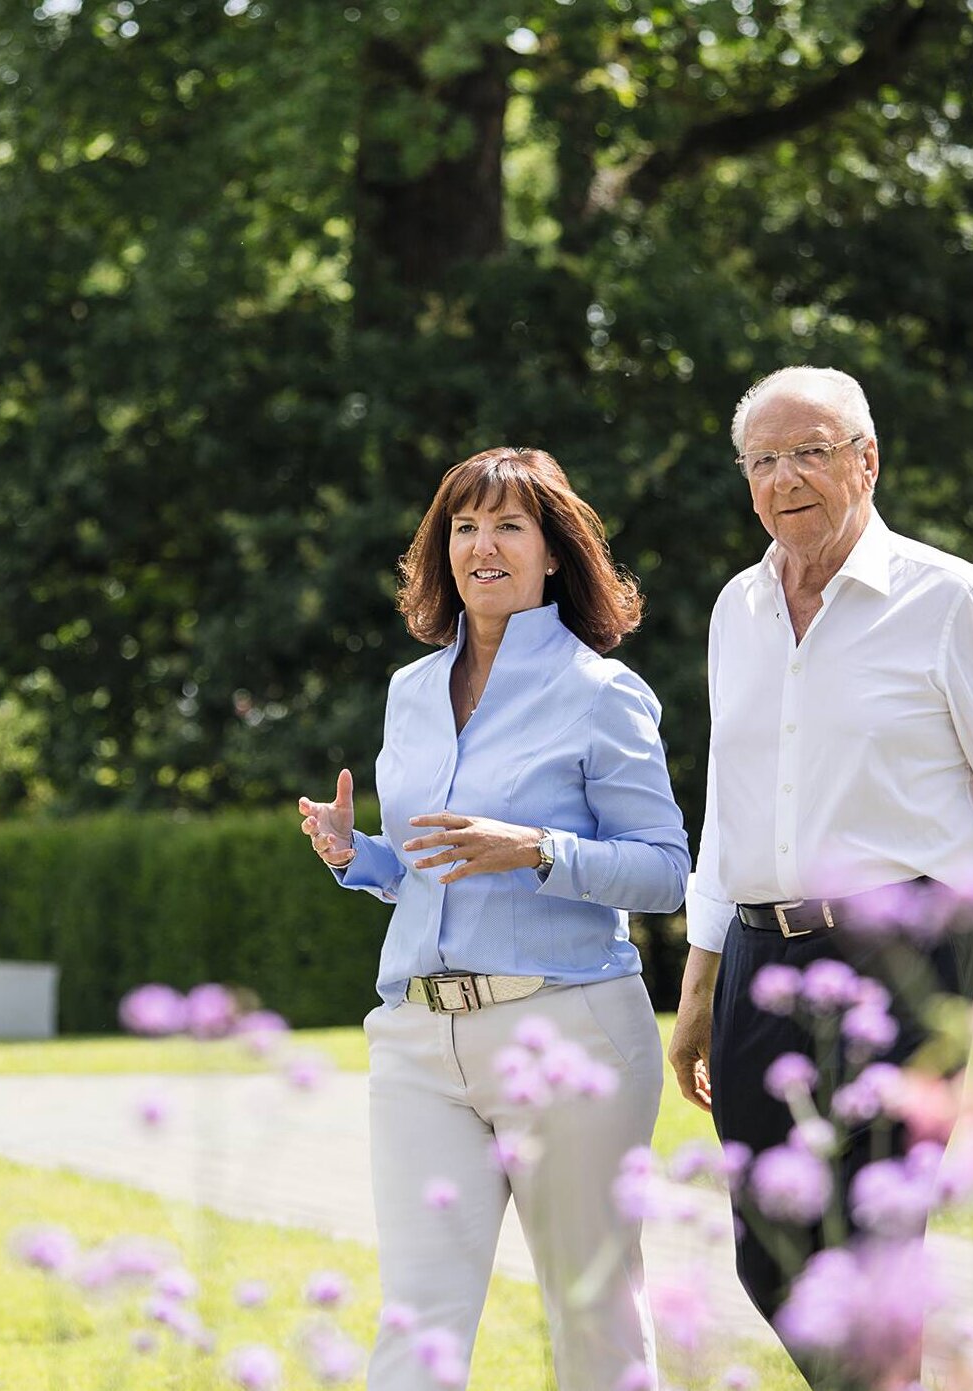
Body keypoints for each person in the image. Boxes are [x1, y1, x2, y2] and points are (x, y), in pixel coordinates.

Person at [665, 367, 973, 1384]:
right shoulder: (738, 607)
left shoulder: (948, 600)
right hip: (760, 950)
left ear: (866, 460)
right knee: (770, 1246)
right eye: (761, 458)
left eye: (810, 450)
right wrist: (699, 977)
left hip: (906, 951)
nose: (784, 476)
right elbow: (730, 800)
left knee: (875, 1240)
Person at [297, 446, 689, 1390]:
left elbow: (667, 873)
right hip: (417, 1041)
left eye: (509, 526)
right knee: (416, 1325)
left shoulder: (603, 692)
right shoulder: (410, 691)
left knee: (594, 1321)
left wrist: (538, 849)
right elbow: (436, 868)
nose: (484, 545)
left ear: (553, 551)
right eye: (465, 526)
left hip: (568, 1032)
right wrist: (359, 855)